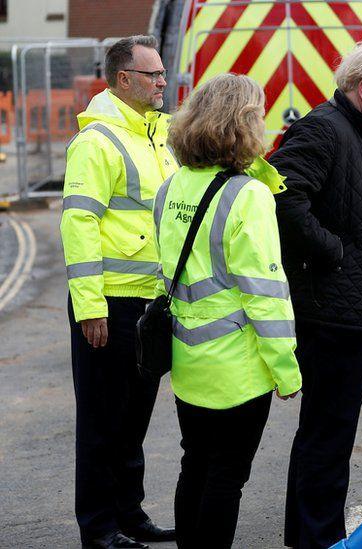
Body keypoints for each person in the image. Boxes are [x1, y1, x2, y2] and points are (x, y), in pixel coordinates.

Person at [269, 42, 362, 548]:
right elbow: (282, 198)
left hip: (348, 308)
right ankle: (319, 537)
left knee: (327, 434)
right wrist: (337, 254)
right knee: (328, 436)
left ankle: (310, 534)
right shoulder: (324, 129)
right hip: (330, 311)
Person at [157, 73, 303, 548]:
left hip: (187, 359)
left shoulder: (172, 185)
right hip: (237, 366)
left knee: (194, 462)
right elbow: (264, 292)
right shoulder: (249, 195)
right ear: (243, 124)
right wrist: (286, 368)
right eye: (258, 114)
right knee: (226, 476)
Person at [61, 35, 178, 549]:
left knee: (133, 421)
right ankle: (99, 529)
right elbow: (79, 223)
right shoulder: (97, 142)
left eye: (161, 73)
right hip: (108, 302)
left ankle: (129, 516)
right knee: (102, 423)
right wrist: (90, 307)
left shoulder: (158, 135)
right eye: (152, 74)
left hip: (150, 301)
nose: (161, 82)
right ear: (123, 79)